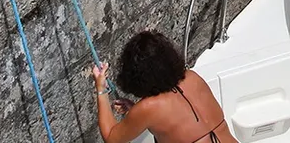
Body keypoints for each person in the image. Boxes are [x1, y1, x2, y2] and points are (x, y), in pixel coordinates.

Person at [92, 31, 239, 143]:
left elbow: (111, 137)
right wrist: (138, 113)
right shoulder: (192, 78)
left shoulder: (148, 108)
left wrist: (101, 88)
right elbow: (181, 119)